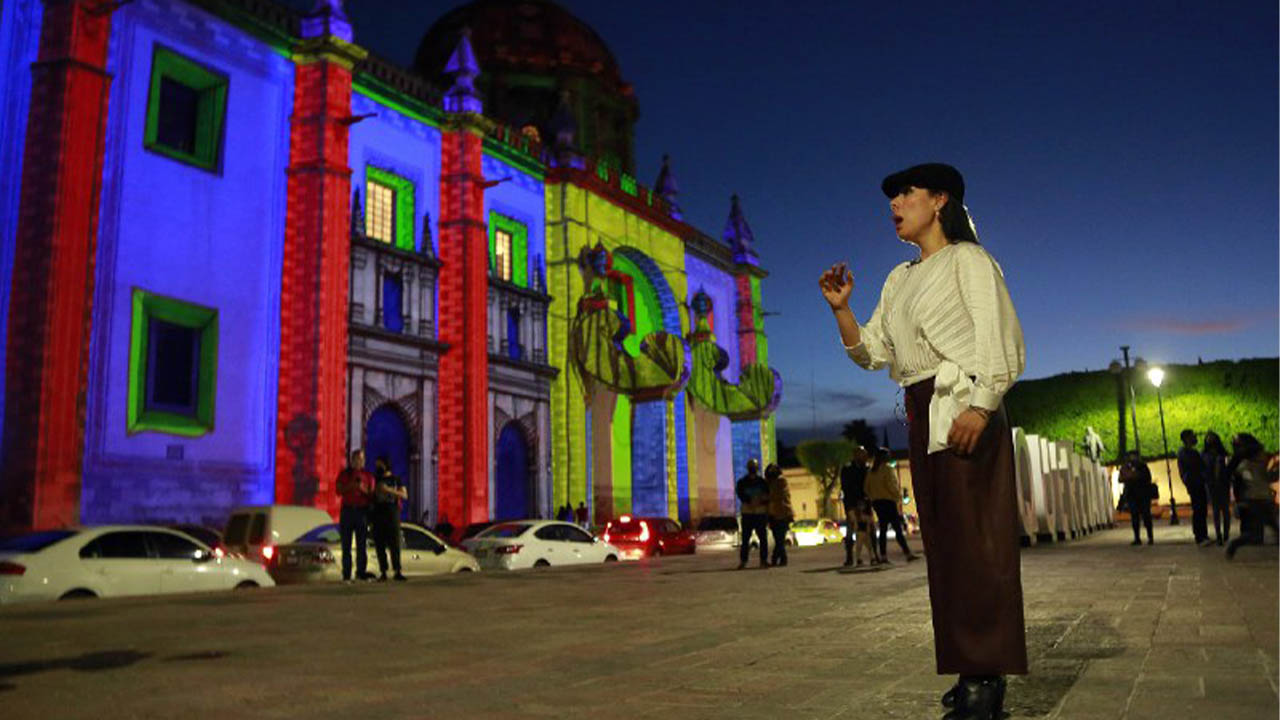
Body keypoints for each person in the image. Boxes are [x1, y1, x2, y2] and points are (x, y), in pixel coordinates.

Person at [821, 163, 1026, 719]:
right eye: (891, 197)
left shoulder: (970, 260)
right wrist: (842, 311)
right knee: (945, 547)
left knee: (978, 543)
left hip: (961, 401)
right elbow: (872, 354)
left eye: (905, 194)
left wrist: (981, 407)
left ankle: (987, 675)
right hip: (920, 407)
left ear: (939, 201)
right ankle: (969, 667)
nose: (894, 204)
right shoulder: (899, 279)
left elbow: (999, 337)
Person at [1225, 433, 1278, 559]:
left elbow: (1268, 478)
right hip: (1256, 500)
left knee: (1272, 526)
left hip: (1262, 499)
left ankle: (1235, 545)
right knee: (1258, 531)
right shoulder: (1246, 466)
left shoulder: (1257, 464)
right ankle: (1234, 545)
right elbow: (1251, 482)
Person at [866, 447, 919, 562]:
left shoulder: (871, 472)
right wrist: (898, 497)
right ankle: (907, 553)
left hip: (877, 503)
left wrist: (873, 498)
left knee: (883, 529)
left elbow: (866, 488)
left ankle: (883, 555)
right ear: (885, 457)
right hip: (888, 502)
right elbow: (892, 485)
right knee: (897, 529)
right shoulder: (887, 469)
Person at [335, 449, 376, 583]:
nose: (360, 462)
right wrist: (351, 486)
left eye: (362, 459)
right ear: (352, 460)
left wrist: (362, 488)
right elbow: (339, 490)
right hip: (347, 511)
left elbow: (372, 494)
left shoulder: (368, 476)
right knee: (346, 545)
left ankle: (361, 572)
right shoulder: (344, 474)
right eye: (357, 459)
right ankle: (346, 573)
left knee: (361, 544)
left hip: (361, 512)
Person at [370, 456, 408, 581]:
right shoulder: (375, 479)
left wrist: (388, 490)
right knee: (379, 543)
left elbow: (404, 495)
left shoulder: (396, 479)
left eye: (380, 465)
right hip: (378, 513)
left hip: (392, 512)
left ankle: (397, 570)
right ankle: (383, 571)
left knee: (394, 543)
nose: (378, 468)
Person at [1176, 429, 1211, 546]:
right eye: (1192, 436)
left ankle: (1203, 534)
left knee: (1201, 509)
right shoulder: (1185, 452)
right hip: (1194, 483)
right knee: (1198, 509)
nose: (1195, 438)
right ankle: (1200, 536)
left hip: (1198, 482)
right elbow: (1195, 466)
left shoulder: (1189, 452)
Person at [735, 459, 770, 569]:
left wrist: (760, 501)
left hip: (757, 513)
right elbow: (740, 495)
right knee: (746, 539)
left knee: (762, 539)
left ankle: (762, 560)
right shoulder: (744, 482)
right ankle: (745, 561)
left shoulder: (762, 482)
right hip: (749, 513)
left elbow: (767, 495)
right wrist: (751, 500)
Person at [839, 448, 869, 567]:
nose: (865, 457)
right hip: (851, 504)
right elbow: (846, 487)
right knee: (851, 531)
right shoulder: (847, 469)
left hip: (864, 503)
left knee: (866, 531)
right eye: (862, 455)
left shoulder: (866, 468)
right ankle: (850, 557)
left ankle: (871, 556)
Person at [1119, 451, 1155, 546]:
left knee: (1146, 515)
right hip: (1132, 495)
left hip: (1143, 494)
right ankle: (1137, 538)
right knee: (1135, 517)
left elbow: (1146, 477)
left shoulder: (1142, 466)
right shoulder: (1126, 467)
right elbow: (1121, 478)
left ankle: (1150, 537)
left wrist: (1132, 476)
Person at [1202, 431, 1231, 545]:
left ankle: (1225, 534)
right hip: (1212, 485)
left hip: (1222, 484)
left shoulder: (1222, 454)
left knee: (1224, 510)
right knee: (1216, 510)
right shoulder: (1205, 455)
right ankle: (1219, 534)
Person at [766, 463, 794, 566]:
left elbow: (778, 495)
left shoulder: (781, 481)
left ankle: (776, 559)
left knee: (779, 538)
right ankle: (783, 559)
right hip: (773, 514)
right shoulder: (770, 483)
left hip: (783, 514)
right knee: (778, 538)